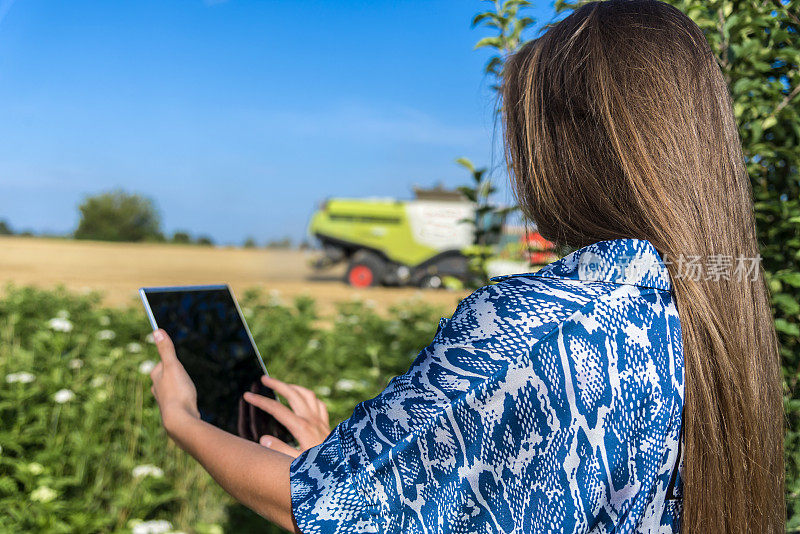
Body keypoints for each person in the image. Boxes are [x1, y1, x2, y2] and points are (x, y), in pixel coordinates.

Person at [147, 0, 785, 532]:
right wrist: (347, 460)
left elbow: (318, 508)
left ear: (568, 151)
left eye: (521, 139)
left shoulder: (534, 327)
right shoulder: (693, 308)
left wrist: (184, 419)